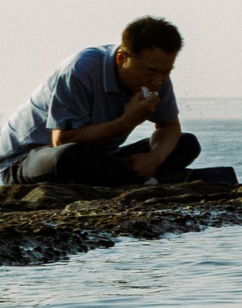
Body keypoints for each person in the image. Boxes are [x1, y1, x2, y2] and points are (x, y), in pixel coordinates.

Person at [2, 19, 200, 186]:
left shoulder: (157, 78)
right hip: (29, 159)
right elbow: (62, 141)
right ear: (121, 58)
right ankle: (136, 180)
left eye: (167, 71)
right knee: (69, 157)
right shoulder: (81, 70)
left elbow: (169, 126)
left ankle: (128, 176)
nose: (158, 80)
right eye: (151, 71)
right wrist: (126, 122)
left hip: (99, 156)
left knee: (187, 144)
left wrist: (153, 159)